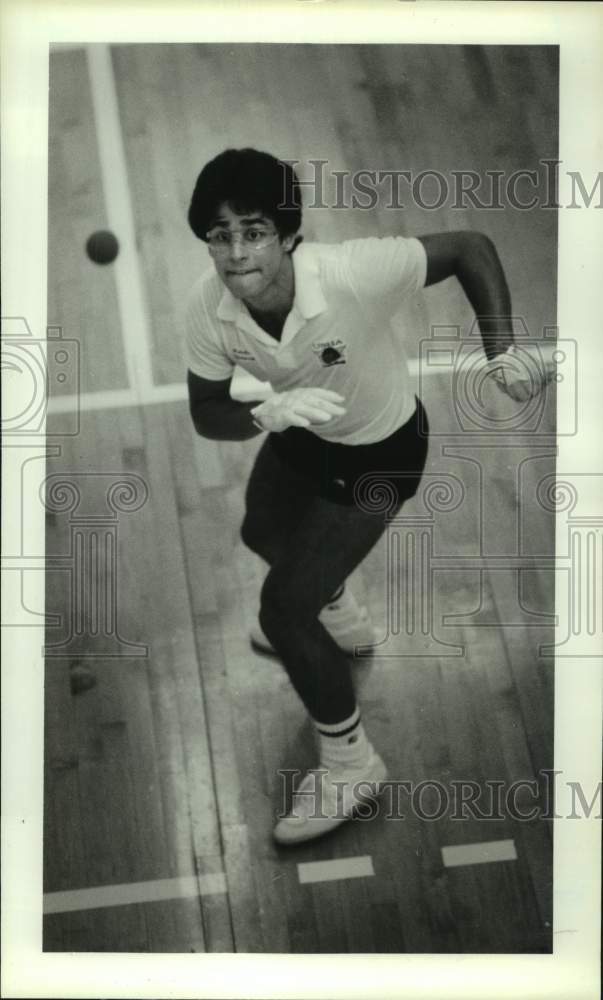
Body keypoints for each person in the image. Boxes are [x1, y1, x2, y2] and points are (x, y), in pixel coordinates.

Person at [185, 147, 554, 845]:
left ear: (289, 234)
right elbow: (207, 409)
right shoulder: (207, 312)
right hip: (302, 428)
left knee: (282, 610)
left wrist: (499, 351)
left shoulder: (352, 273)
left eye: (254, 230)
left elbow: (470, 247)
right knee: (261, 534)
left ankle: (351, 762)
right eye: (219, 234)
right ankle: (342, 616)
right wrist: (261, 414)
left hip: (378, 454)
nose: (236, 252)